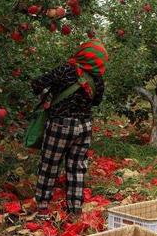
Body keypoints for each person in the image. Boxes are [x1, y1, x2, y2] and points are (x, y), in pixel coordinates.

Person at [31, 39, 107, 218]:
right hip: (84, 126)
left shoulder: (65, 69)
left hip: (61, 124)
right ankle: (75, 210)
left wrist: (49, 93)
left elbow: (36, 84)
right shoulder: (97, 78)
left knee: (49, 165)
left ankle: (42, 207)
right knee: (77, 167)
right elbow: (96, 101)